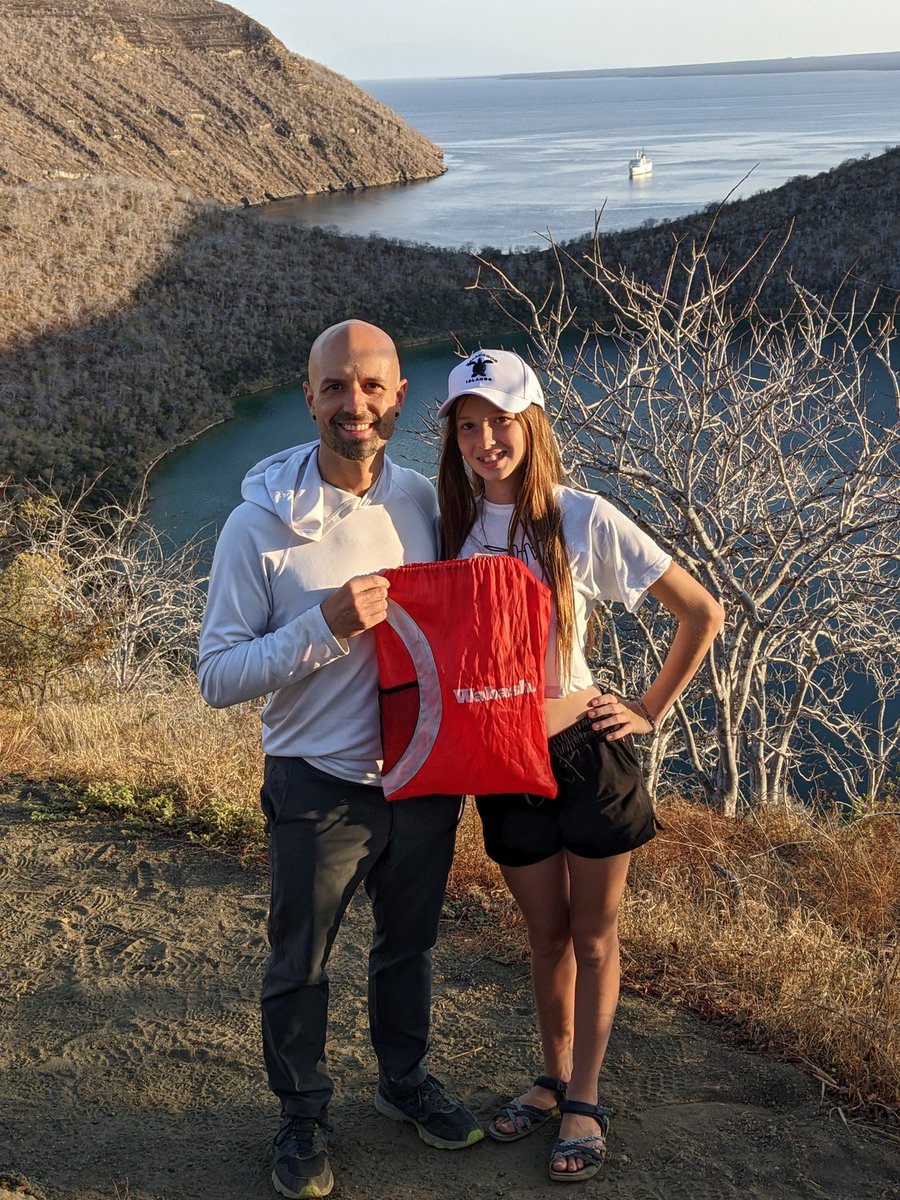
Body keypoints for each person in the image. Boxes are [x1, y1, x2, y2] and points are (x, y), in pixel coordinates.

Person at [197, 320, 483, 1200]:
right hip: (316, 784)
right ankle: (302, 1114)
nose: (351, 405)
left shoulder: (433, 506)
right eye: (334, 387)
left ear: (399, 397)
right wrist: (321, 630)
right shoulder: (260, 526)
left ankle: (403, 1084)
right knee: (302, 959)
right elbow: (216, 676)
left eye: (370, 387)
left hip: (423, 778)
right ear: (309, 394)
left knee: (409, 949)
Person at [436, 349, 724, 1184]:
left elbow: (700, 611)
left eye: (501, 422)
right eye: (469, 426)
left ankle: (584, 1098)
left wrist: (647, 709)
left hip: (585, 754)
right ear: (453, 435)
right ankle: (551, 1075)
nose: (487, 440)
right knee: (546, 934)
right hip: (501, 763)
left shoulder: (581, 516)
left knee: (595, 937)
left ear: (530, 423)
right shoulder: (447, 526)